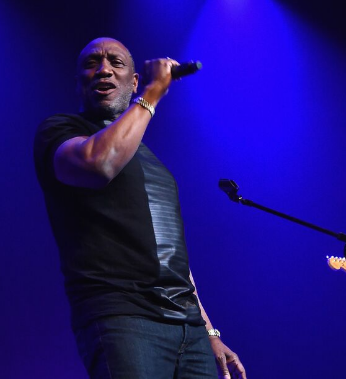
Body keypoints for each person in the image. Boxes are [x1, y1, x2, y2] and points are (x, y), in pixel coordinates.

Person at [34, 37, 246, 379]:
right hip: (123, 319)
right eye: (92, 63)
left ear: (132, 80)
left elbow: (175, 261)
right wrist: (151, 94)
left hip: (188, 330)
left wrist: (209, 331)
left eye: (116, 62)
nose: (104, 69)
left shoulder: (155, 165)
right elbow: (99, 164)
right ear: (78, 81)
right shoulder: (60, 131)